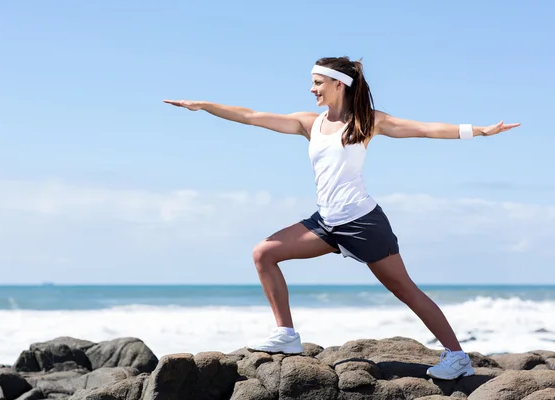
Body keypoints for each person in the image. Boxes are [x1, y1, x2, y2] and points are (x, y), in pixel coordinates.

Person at [163, 56, 520, 380]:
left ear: (339, 84)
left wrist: (479, 130)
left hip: (363, 222)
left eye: (318, 82)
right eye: (312, 82)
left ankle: (457, 356)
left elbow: (425, 128)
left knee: (403, 288)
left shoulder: (367, 122)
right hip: (326, 223)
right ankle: (286, 335)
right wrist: (205, 106)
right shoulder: (309, 123)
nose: (312, 88)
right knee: (264, 253)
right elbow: (252, 116)